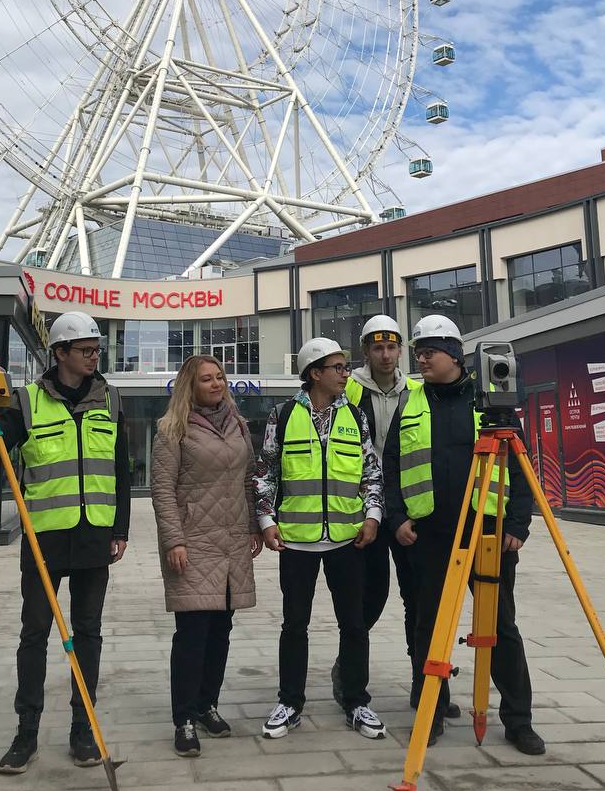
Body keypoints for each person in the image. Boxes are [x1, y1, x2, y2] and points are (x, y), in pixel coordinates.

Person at [383, 314, 545, 754]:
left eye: (427, 352)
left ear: (454, 355)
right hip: (431, 536)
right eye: (417, 352)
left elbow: (519, 465)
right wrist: (397, 517)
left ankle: (518, 720)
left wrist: (517, 523)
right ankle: (431, 711)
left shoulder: (490, 403)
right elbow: (392, 464)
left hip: (488, 536)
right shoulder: (411, 401)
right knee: (429, 626)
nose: (420, 359)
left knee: (500, 626)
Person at [0, 311, 131, 775]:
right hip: (44, 538)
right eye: (85, 350)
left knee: (87, 634)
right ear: (60, 353)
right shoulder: (26, 402)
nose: (94, 357)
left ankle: (82, 728)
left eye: (97, 350)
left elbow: (121, 470)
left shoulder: (110, 401)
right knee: (35, 634)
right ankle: (26, 730)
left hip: (94, 537)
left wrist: (120, 529)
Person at [253, 337, 387, 741]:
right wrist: (266, 520)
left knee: (354, 625)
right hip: (296, 541)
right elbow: (266, 472)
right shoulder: (282, 414)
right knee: (295, 624)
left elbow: (371, 471)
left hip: (348, 540)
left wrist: (373, 514)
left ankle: (356, 701)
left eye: (346, 368)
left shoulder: (358, 417)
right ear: (315, 373)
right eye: (339, 368)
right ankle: (290, 702)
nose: (347, 374)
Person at [339, 315, 460, 720]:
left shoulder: (416, 389)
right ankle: (349, 673)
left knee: (419, 600)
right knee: (368, 598)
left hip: (410, 510)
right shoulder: (350, 389)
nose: (386, 355)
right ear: (366, 351)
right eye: (378, 348)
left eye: (393, 348)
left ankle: (423, 682)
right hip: (368, 510)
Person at [151, 355, 262, 758]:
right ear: (190, 386)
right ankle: (183, 717)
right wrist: (173, 541)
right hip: (193, 542)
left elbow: (248, 480)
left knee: (220, 631)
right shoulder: (172, 430)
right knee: (193, 634)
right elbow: (162, 491)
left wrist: (253, 524)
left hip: (232, 541)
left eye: (220, 378)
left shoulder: (239, 425)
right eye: (206, 380)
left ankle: (206, 705)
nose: (216, 384)